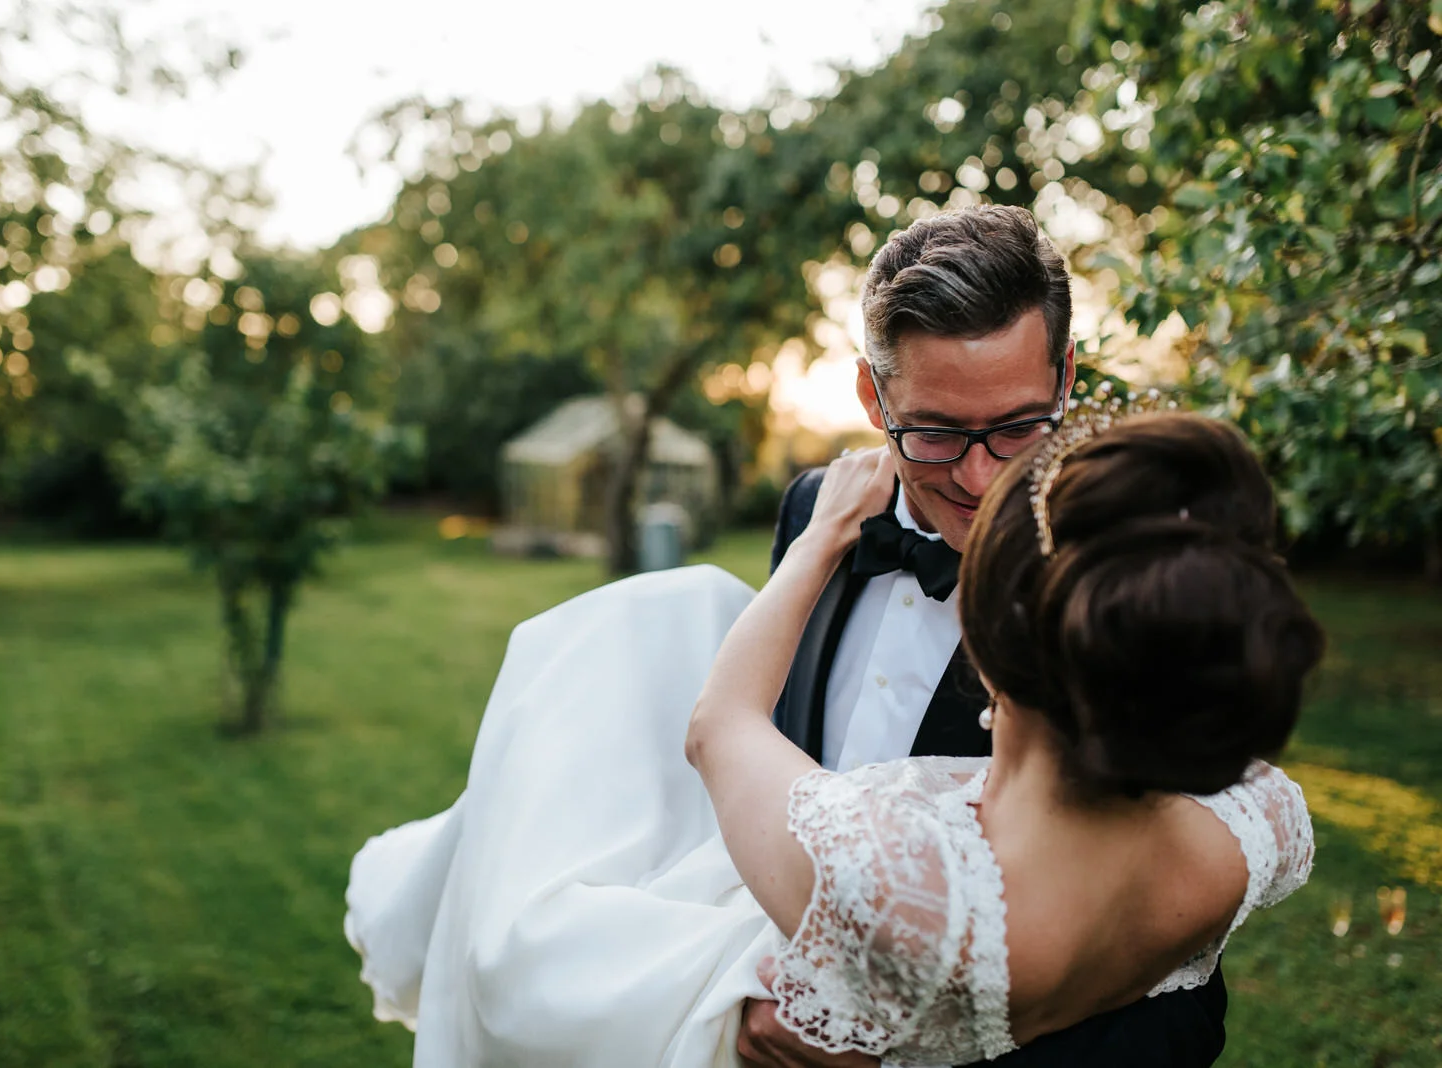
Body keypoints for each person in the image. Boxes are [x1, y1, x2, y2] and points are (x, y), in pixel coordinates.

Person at [344, 405, 1323, 1065]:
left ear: (987, 644)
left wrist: (817, 542)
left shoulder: (893, 887)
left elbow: (717, 724)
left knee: (629, 634)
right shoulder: (1255, 832)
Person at [741, 208, 1235, 1067]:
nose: (979, 477)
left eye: (1017, 427)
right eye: (933, 431)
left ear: (1066, 375)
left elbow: (1178, 994)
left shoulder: (1132, 580)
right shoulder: (810, 513)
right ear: (872, 395)